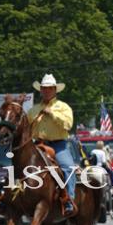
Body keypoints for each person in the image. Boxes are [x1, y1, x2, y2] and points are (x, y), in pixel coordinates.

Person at [27, 74, 77, 214]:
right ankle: (10, 198)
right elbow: (25, 126)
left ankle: (68, 199)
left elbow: (68, 125)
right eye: (44, 88)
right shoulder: (33, 110)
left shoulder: (63, 107)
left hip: (58, 145)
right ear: (41, 90)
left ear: (55, 90)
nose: (46, 91)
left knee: (68, 167)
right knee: (19, 166)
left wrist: (52, 114)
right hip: (37, 145)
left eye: (49, 88)